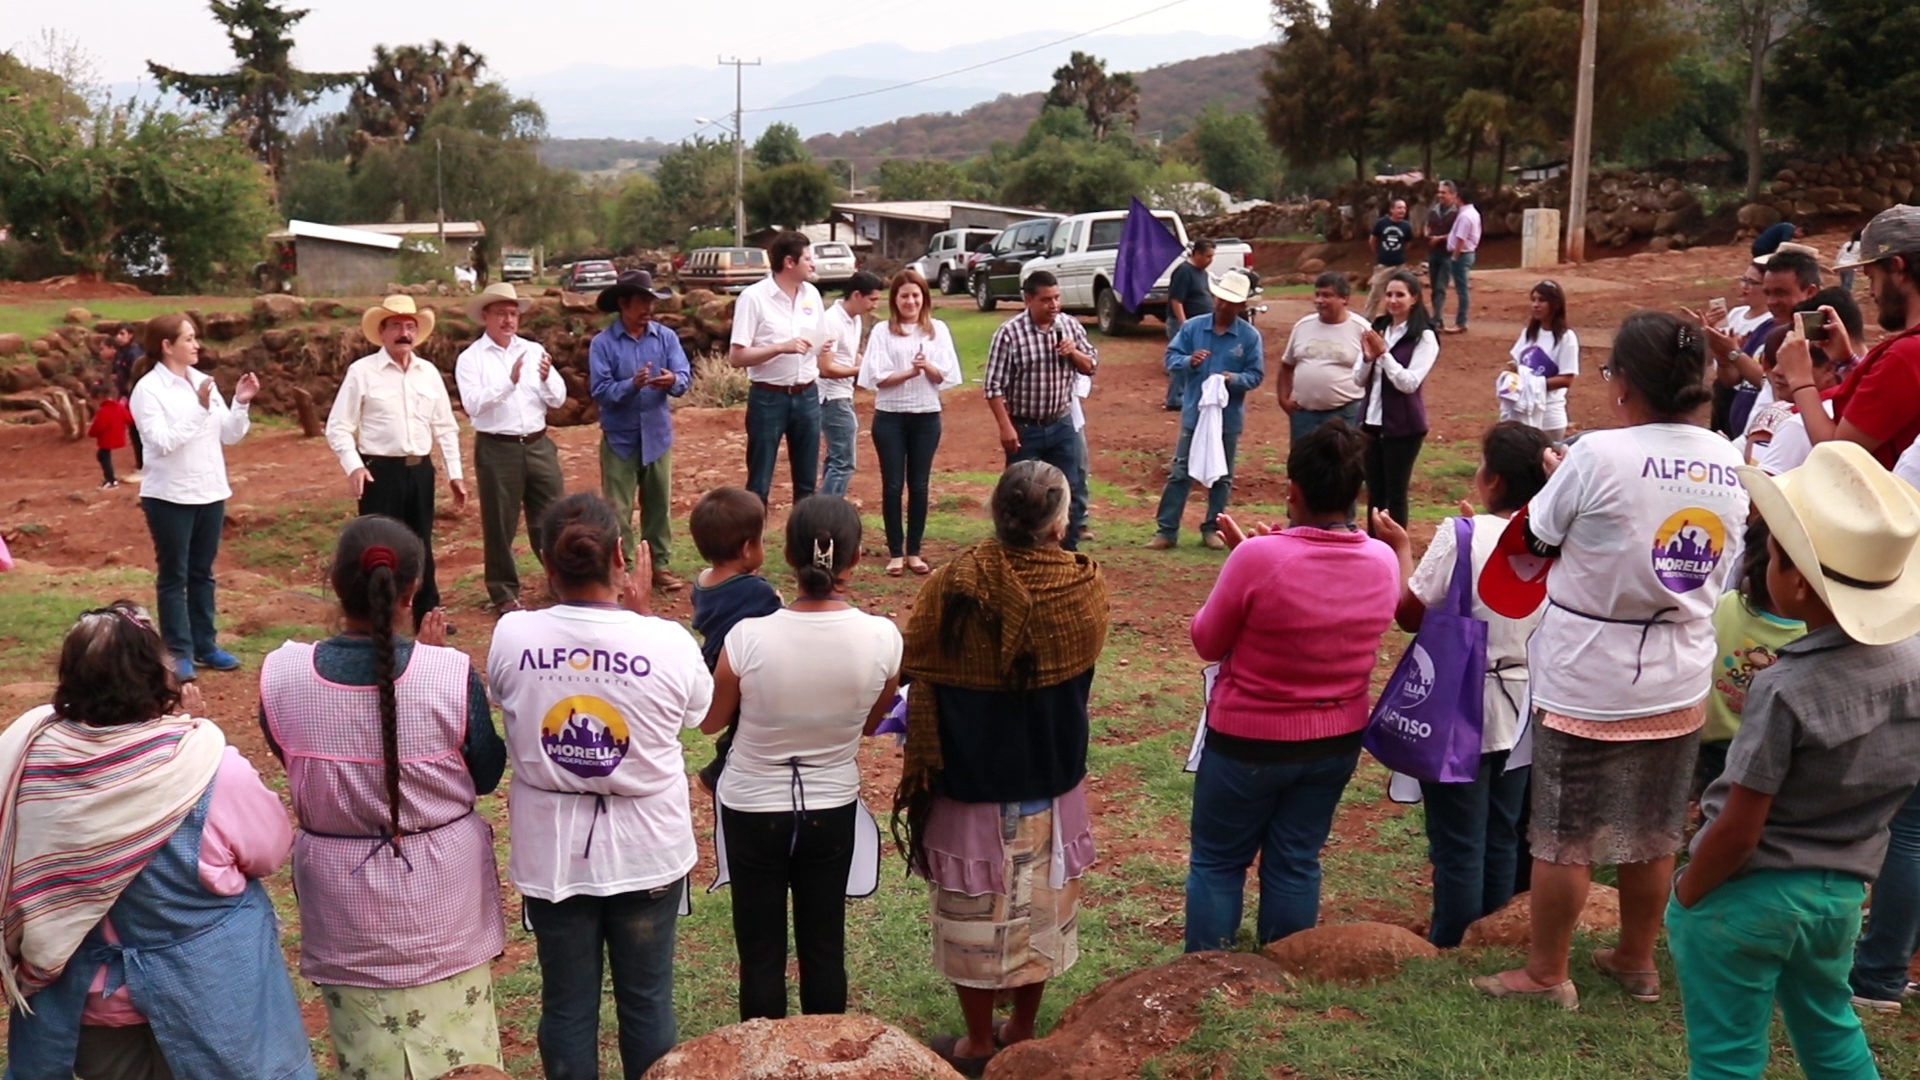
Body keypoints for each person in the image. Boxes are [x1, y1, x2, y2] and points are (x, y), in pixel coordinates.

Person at [1473, 311, 1748, 1011]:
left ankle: (1545, 973)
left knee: (1564, 833)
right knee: (1654, 829)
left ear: (1623, 384)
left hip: (1589, 672)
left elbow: (1534, 536)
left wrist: (1561, 476)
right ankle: (1635, 961)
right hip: (1681, 668)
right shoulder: (1730, 459)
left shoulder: (1596, 454)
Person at [1670, 440, 1920, 1078]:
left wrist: (1690, 891)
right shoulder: (1911, 665)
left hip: (1748, 895)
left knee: (1727, 1056)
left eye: (1774, 557)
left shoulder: (1786, 687)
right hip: (1839, 899)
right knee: (1830, 1028)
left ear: (1798, 583)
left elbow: (1742, 824)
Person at [2, 602, 313, 1080]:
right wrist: (193, 735)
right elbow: (269, 849)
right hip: (210, 1003)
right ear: (153, 677)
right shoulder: (206, 766)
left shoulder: (30, 765)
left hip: (88, 1008)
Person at [259, 515, 507, 1078]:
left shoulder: (282, 673)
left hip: (343, 907)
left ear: (334, 582)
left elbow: (287, 754)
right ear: (412, 591)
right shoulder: (447, 674)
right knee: (460, 1056)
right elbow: (487, 773)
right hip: (441, 900)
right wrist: (432, 663)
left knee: (366, 1055)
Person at [488, 494, 713, 1080]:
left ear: (545, 560)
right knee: (647, 1000)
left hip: (552, 853)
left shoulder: (513, 634)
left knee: (565, 1004)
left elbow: (504, 696)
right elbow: (700, 711)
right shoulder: (666, 642)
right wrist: (638, 622)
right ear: (621, 554)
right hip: (647, 848)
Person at [894, 461, 1107, 1078]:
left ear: (997, 511)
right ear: (1058, 524)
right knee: (1043, 909)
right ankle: (1021, 1029)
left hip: (968, 780)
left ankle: (979, 1041)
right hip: (1051, 775)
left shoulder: (953, 583)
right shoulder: (1083, 589)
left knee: (972, 917)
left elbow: (918, 663)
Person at [1184, 420, 1399, 950]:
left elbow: (1208, 641)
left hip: (1248, 742)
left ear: (1293, 491)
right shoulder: (1381, 559)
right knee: (1296, 859)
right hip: (1335, 740)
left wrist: (1242, 562)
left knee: (1218, 861)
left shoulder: (1259, 557)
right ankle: (1288, 970)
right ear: (1356, 495)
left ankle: (1204, 975)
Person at [702, 495, 901, 1021]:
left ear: (787, 555)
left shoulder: (747, 637)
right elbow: (873, 720)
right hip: (830, 802)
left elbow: (711, 721)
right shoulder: (883, 638)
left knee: (761, 957)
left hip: (751, 805)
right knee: (824, 948)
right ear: (856, 559)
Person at [1372, 422, 1551, 948]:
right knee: (1502, 832)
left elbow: (1409, 613)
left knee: (1458, 838)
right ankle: (1492, 936)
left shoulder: (1463, 534)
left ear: (1491, 480)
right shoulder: (1555, 540)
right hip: (1524, 706)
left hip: (1460, 706)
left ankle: (1452, 939)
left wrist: (1402, 549)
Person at [325, 295, 468, 630]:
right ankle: (378, 615)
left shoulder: (428, 372)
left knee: (421, 545)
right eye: (396, 326)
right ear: (383, 331)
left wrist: (455, 475)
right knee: (378, 546)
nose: (404, 333)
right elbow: (338, 426)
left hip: (419, 470)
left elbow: (446, 427)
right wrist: (355, 466)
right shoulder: (362, 372)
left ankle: (428, 615)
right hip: (379, 472)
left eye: (409, 326)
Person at [130, 313, 260, 681]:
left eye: (195, 338)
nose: (196, 344)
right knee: (175, 574)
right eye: (188, 339)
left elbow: (229, 435)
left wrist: (241, 403)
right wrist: (199, 409)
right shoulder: (148, 390)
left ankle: (206, 645)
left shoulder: (204, 381)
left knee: (203, 574)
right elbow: (161, 442)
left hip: (210, 490)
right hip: (169, 495)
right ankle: (178, 651)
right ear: (166, 346)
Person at [456, 281, 567, 614]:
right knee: (500, 521)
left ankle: (561, 580)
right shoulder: (471, 359)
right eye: (501, 313)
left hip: (537, 442)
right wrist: (509, 383)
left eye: (513, 313)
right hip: (497, 447)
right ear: (485, 317)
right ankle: (503, 591)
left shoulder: (533, 350)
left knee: (554, 517)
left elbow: (558, 398)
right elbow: (473, 405)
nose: (508, 320)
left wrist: (547, 377)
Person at [1786, 205, 1920, 469]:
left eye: (1872, 278)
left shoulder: (1906, 355)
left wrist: (1800, 379)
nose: (1872, 293)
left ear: (1897, 267)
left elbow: (1838, 454)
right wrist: (1848, 364)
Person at [590, 269, 692, 593]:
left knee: (659, 504)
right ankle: (624, 571)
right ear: (623, 303)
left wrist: (673, 381)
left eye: (651, 302)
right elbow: (600, 390)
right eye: (641, 302)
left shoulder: (666, 337)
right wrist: (631, 385)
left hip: (657, 436)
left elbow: (684, 375)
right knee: (618, 509)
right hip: (620, 438)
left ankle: (658, 566)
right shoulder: (602, 344)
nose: (648, 309)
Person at [1150, 269, 1265, 550]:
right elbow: (1171, 357)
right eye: (1221, 299)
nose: (1224, 306)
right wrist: (1189, 361)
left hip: (1227, 419)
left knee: (1222, 476)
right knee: (1180, 470)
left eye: (1231, 302)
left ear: (1241, 305)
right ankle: (1167, 530)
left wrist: (1232, 379)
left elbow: (1256, 374)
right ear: (1215, 298)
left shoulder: (1249, 337)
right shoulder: (1192, 328)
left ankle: (1213, 527)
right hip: (1194, 414)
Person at [982, 271, 1097, 553]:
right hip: (1024, 428)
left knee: (1067, 489)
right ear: (1028, 299)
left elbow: (1091, 365)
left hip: (1061, 423)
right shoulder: (1009, 334)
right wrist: (1005, 427)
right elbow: (993, 387)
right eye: (1046, 300)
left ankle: (1068, 555)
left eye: (1057, 298)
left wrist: (1073, 353)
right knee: (1022, 493)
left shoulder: (1070, 326)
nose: (1054, 305)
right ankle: (1020, 554)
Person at [859, 270, 964, 576]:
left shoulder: (937, 330)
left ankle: (914, 551)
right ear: (895, 300)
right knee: (893, 485)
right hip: (890, 417)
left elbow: (944, 375)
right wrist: (909, 372)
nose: (911, 301)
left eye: (916, 295)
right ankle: (895, 552)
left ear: (924, 298)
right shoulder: (882, 331)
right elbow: (877, 377)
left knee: (919, 485)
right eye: (904, 295)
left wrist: (926, 366)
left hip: (926, 416)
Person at [1694, 517, 1803, 801]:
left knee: (1713, 812)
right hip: (1773, 758)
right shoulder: (1813, 633)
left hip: (1712, 745)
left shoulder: (1722, 606)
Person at [689, 486, 784, 793]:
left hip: (713, 660)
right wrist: (777, 601)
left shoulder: (703, 581)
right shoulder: (755, 591)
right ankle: (716, 774)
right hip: (737, 668)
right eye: (761, 541)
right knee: (747, 722)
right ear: (747, 549)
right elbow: (775, 620)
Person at [731, 231, 825, 505]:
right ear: (789, 262)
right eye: (807, 258)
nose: (813, 264)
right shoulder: (753, 298)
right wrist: (779, 347)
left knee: (807, 483)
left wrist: (822, 345)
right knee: (759, 481)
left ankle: (803, 545)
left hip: (807, 394)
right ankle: (751, 545)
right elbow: (737, 357)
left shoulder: (812, 295)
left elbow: (814, 341)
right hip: (769, 397)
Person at [1742, 290, 1865, 475]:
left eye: (1794, 362)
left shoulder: (1798, 425)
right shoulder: (1864, 398)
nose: (1776, 372)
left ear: (1829, 369)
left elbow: (1763, 500)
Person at [1354, 270, 1439, 529]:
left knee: (1396, 493)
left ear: (1414, 298)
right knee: (1375, 493)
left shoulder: (1424, 336)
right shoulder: (1377, 327)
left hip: (1404, 425)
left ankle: (1395, 554)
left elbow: (1409, 383)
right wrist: (1369, 359)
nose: (1392, 300)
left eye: (1400, 295)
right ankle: (1373, 551)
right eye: (1389, 294)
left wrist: (1383, 355)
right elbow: (1358, 379)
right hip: (1371, 421)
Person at [1710, 246, 1822, 437]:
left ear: (1810, 292)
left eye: (1781, 293)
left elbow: (1774, 385)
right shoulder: (1768, 330)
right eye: (1767, 293)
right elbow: (1732, 380)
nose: (1771, 301)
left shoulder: (1819, 340)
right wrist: (1723, 356)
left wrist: (1735, 354)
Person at [1277, 271, 1368, 443]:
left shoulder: (1361, 329)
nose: (1319, 300)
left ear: (1345, 299)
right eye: (1317, 294)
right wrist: (1283, 400)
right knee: (1305, 465)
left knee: (1345, 466)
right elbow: (1287, 366)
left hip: (1346, 415)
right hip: (1304, 415)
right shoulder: (1302, 326)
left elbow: (1374, 371)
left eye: (1327, 295)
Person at [819, 271, 884, 496]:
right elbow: (825, 369)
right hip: (831, 397)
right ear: (857, 295)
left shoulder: (854, 319)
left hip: (842, 393)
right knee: (844, 462)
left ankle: (823, 511)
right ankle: (827, 514)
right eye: (872, 299)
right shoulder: (830, 321)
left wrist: (865, 364)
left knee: (836, 458)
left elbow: (848, 355)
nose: (875, 306)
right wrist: (862, 370)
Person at [1503, 281, 1580, 441]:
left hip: (1549, 416)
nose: (1536, 305)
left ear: (1556, 304)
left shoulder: (1566, 338)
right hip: (1522, 411)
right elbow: (1515, 364)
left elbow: (1567, 379)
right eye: (1533, 300)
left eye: (1542, 300)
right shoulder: (1529, 334)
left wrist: (1531, 384)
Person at [1164, 240, 1217, 410]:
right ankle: (1175, 399)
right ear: (1197, 254)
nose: (1211, 260)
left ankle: (1188, 396)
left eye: (1212, 256)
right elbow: (1176, 300)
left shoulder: (1202, 273)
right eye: (1208, 256)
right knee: (1182, 360)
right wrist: (1184, 324)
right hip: (1185, 324)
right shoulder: (1184, 271)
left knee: (1197, 360)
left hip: (1200, 324)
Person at [1440, 181, 1481, 333]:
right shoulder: (1473, 213)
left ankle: (1461, 322)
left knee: (1462, 290)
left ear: (1460, 199)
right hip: (1468, 253)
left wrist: (1455, 257)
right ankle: (1461, 321)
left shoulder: (1464, 216)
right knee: (1462, 289)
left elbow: (1460, 239)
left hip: (1462, 254)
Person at [1366, 199, 1414, 319]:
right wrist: (1379, 253)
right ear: (1391, 210)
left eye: (1404, 208)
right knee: (1375, 294)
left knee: (1400, 293)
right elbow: (1373, 240)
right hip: (1383, 265)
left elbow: (1408, 243)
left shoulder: (1406, 226)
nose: (1402, 210)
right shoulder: (1381, 223)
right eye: (1399, 208)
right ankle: (1368, 320)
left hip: (1399, 265)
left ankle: (1396, 319)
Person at [110, 323, 146, 478]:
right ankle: (141, 463)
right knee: (134, 431)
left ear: (130, 335)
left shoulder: (135, 353)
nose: (118, 337)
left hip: (137, 397)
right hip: (127, 397)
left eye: (122, 333)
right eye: (117, 334)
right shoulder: (120, 353)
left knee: (141, 430)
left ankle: (145, 465)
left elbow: (137, 377)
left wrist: (128, 395)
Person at [87, 382, 134, 489]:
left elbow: (99, 426)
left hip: (107, 439)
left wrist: (91, 433)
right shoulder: (118, 406)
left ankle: (111, 480)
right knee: (103, 456)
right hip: (116, 436)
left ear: (99, 397)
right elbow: (129, 419)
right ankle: (110, 479)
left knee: (103, 457)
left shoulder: (104, 410)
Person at [1424, 189, 1457, 325]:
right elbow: (1427, 224)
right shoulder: (1433, 210)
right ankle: (1437, 316)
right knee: (1434, 286)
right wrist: (1426, 232)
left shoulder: (1456, 213)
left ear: (1452, 194)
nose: (1440, 195)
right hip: (1433, 252)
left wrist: (1439, 238)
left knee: (1440, 287)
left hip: (1447, 254)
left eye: (1444, 193)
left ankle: (1437, 318)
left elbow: (1456, 233)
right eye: (1439, 192)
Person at [1837, 229, 1863, 293]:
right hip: (1850, 266)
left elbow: (1839, 254)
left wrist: (1836, 265)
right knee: (1848, 286)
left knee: (1843, 284)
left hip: (1841, 265)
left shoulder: (1847, 244)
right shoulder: (1861, 245)